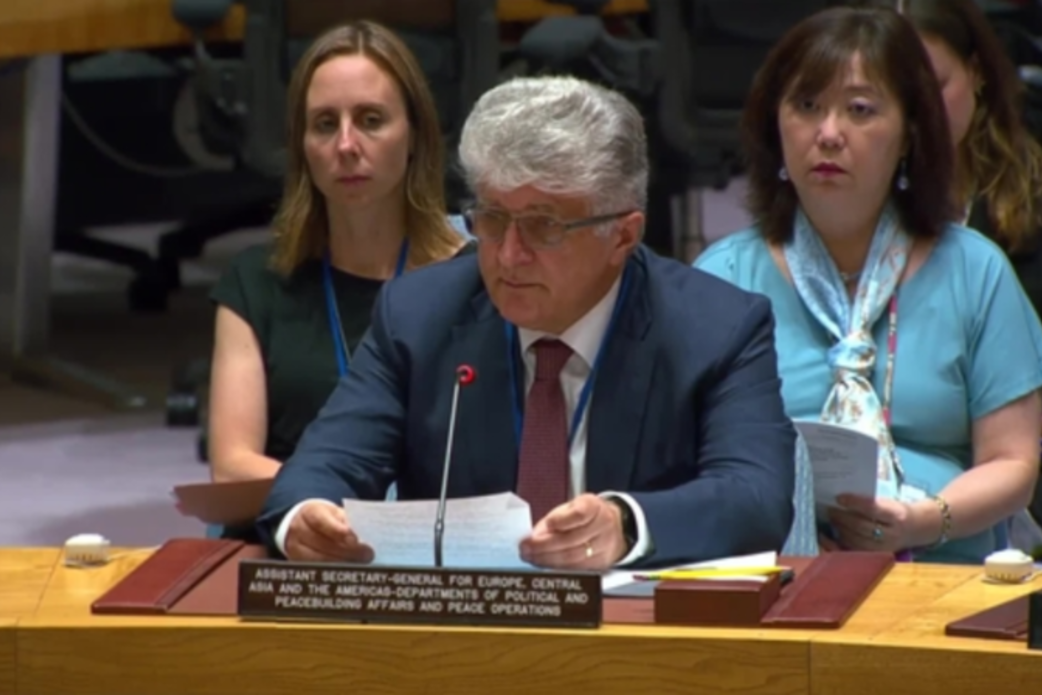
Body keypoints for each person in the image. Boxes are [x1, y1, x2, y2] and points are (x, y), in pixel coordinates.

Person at [255, 75, 798, 570]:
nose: (509, 255)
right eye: (493, 219)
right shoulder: (418, 317)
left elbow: (756, 498)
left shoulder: (716, 329)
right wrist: (306, 518)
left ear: (623, 236)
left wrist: (626, 524)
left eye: (544, 226)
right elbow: (319, 469)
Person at [694, 6, 1042, 564]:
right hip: (774, 574)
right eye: (807, 106)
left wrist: (923, 521)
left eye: (860, 110)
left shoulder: (975, 270)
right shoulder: (724, 277)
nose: (828, 134)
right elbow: (691, 459)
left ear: (908, 134)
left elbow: (1013, 463)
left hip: (943, 570)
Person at [207, 21, 471, 499]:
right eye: (325, 124)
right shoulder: (257, 281)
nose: (346, 145)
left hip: (434, 535)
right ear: (302, 146)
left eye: (371, 120)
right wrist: (331, 505)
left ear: (414, 135)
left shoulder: (474, 277)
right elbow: (232, 467)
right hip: (299, 527)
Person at [851, 0, 1042, 317]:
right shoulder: (838, 201)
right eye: (890, 92)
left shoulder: (1033, 190)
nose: (917, 110)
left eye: (935, 86)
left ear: (976, 71)